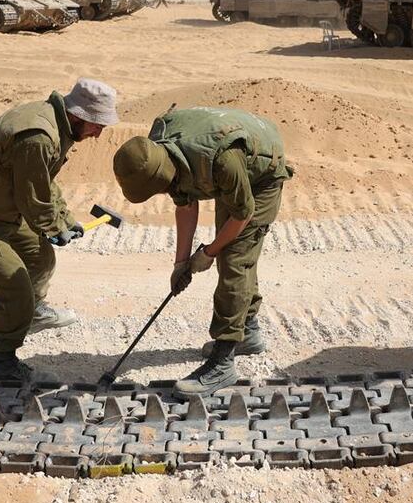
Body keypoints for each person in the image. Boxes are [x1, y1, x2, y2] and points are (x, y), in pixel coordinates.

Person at [0, 79, 119, 382]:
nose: (99, 134)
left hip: (1, 210)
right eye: (97, 125)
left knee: (40, 259)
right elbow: (33, 199)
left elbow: (43, 181)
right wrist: (53, 225)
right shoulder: (38, 136)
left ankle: (29, 313)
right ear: (78, 116)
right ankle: (4, 362)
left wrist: (65, 219)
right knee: (14, 285)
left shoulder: (57, 124)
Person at [112, 107, 292, 397]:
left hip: (260, 173)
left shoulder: (221, 160)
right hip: (232, 164)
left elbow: (243, 213)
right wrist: (181, 263)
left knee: (235, 258)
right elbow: (185, 204)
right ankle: (247, 331)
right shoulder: (157, 153)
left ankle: (223, 363)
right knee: (233, 254)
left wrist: (209, 252)